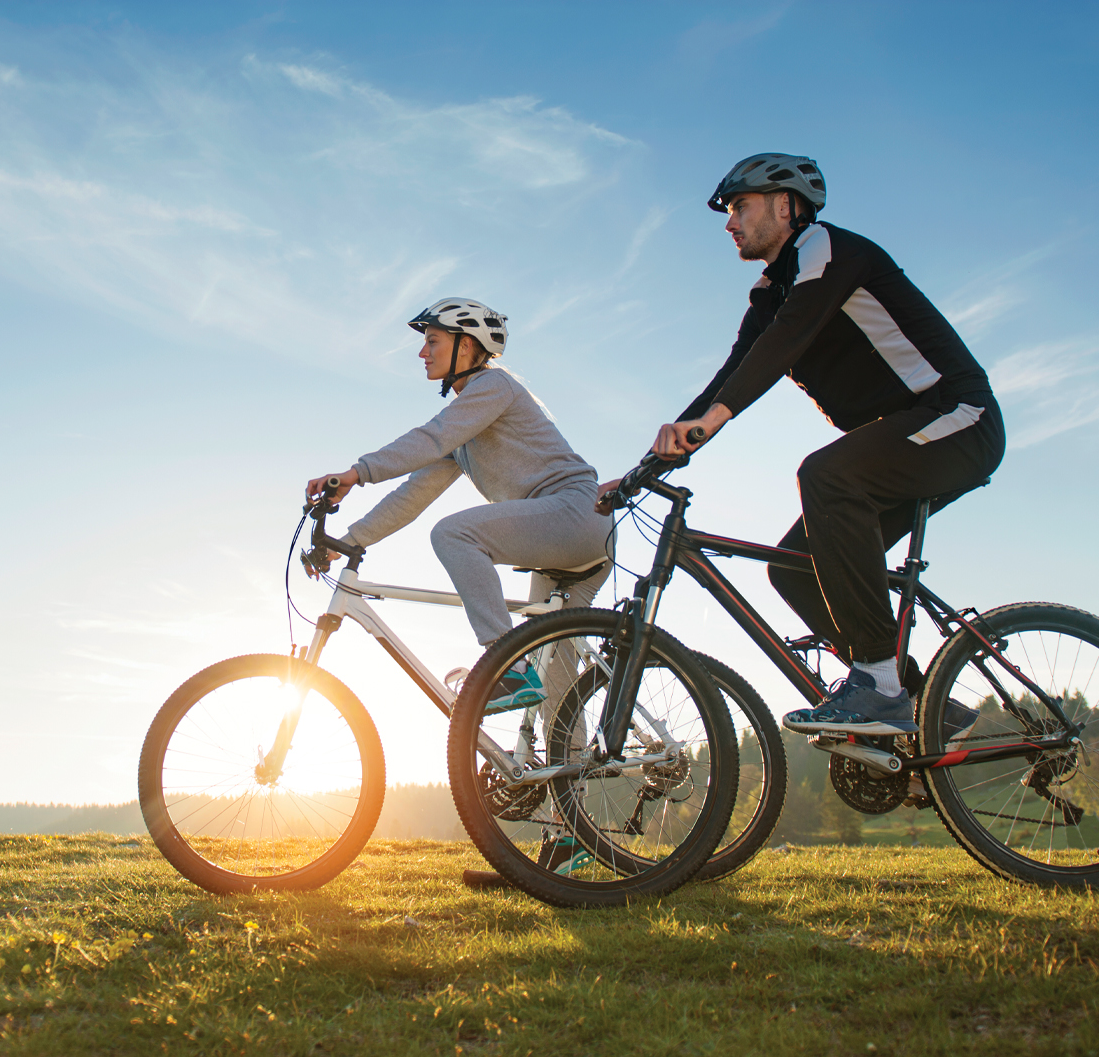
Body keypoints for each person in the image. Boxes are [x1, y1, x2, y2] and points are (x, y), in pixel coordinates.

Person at [612, 154, 1004, 735]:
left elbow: (786, 343)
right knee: (793, 571)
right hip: (899, 444)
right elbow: (736, 369)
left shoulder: (828, 250)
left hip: (957, 418)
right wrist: (643, 468)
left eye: (740, 206)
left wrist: (710, 423)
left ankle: (877, 683)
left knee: (827, 474)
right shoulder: (772, 290)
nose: (729, 223)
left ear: (787, 205)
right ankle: (921, 706)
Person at [304, 298, 613, 712]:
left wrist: (356, 474)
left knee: (454, 533)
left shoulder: (493, 386)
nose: (421, 352)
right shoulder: (464, 432)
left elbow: (431, 436)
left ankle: (506, 666)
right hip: (565, 538)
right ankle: (564, 771)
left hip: (574, 513)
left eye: (432, 341)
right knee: (557, 697)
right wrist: (346, 540)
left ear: (465, 347)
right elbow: (410, 498)